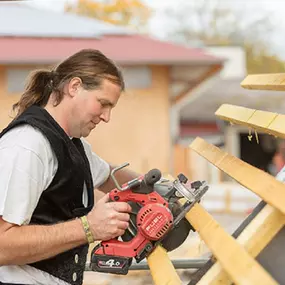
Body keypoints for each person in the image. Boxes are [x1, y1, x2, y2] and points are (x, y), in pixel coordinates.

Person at [0, 49, 140, 285]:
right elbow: (2, 245)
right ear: (74, 87)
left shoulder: (72, 143)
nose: (106, 117)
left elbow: (109, 176)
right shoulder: (28, 145)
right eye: (103, 104)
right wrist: (89, 228)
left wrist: (162, 189)